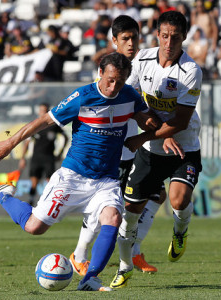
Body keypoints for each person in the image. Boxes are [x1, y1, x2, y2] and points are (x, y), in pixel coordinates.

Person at [0, 52, 160, 291]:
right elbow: (44, 121)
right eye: (110, 80)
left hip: (106, 179)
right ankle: (1, 194)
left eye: (120, 81)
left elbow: (150, 122)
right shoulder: (82, 97)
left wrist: (147, 135)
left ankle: (90, 278)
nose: (114, 86)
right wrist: (10, 143)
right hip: (73, 176)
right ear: (100, 73)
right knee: (34, 227)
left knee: (113, 219)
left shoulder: (129, 95)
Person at [111, 11, 203, 288]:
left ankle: (180, 231)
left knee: (178, 200)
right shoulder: (142, 59)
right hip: (153, 148)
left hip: (184, 146)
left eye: (175, 37)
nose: (168, 42)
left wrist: (143, 137)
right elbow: (131, 98)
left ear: (184, 37)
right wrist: (157, 134)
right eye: (164, 36)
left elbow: (181, 121)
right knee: (130, 212)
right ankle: (125, 267)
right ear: (157, 35)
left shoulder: (191, 71)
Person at [70, 15, 164, 277]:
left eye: (135, 37)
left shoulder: (142, 66)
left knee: (156, 196)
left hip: (139, 147)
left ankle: (134, 251)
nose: (132, 43)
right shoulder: (112, 73)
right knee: (107, 208)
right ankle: (79, 254)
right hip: (117, 152)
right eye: (125, 38)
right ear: (114, 41)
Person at [18, 103, 68, 206]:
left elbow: (66, 138)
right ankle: (31, 203)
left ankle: (50, 204)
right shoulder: (34, 125)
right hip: (36, 157)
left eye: (44, 110)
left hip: (49, 157)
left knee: (50, 182)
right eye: (41, 110)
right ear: (38, 112)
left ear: (48, 111)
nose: (42, 112)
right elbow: (27, 142)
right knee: (34, 183)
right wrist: (22, 158)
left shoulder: (54, 125)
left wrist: (60, 153)